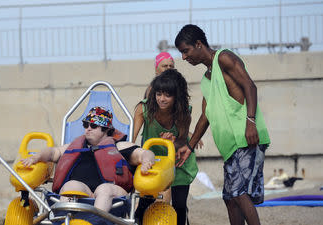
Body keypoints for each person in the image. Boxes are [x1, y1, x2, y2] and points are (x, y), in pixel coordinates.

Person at [174, 24, 270, 225]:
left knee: (239, 194)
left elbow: (250, 86)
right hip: (231, 148)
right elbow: (205, 116)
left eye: (186, 51)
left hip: (246, 138)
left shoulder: (224, 58)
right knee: (230, 199)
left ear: (198, 44)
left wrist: (250, 121)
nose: (183, 57)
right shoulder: (206, 79)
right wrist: (189, 146)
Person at [21, 106, 155, 213]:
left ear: (106, 129)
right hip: (79, 195)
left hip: (114, 200)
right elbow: (52, 152)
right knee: (70, 185)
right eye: (86, 125)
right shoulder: (73, 147)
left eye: (93, 126)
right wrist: (37, 157)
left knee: (104, 190)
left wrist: (147, 161)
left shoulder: (120, 146)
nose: (87, 129)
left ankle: (96, 221)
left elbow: (145, 153)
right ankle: (64, 221)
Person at [133, 70, 198, 225]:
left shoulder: (183, 112)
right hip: (152, 161)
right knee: (144, 204)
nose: (161, 99)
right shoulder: (144, 110)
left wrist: (172, 142)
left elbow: (183, 142)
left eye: (167, 95)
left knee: (180, 206)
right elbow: (132, 139)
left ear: (177, 97)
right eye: (159, 94)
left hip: (178, 160)